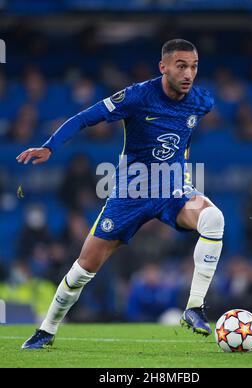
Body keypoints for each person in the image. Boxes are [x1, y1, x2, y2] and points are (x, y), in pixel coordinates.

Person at [17, 39, 225, 349]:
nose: (189, 73)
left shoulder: (201, 100)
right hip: (131, 192)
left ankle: (193, 307)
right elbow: (85, 117)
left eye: (194, 67)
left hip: (173, 189)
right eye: (181, 66)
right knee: (83, 269)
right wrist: (49, 146)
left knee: (213, 218)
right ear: (163, 66)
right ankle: (46, 330)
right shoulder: (138, 96)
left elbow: (185, 133)